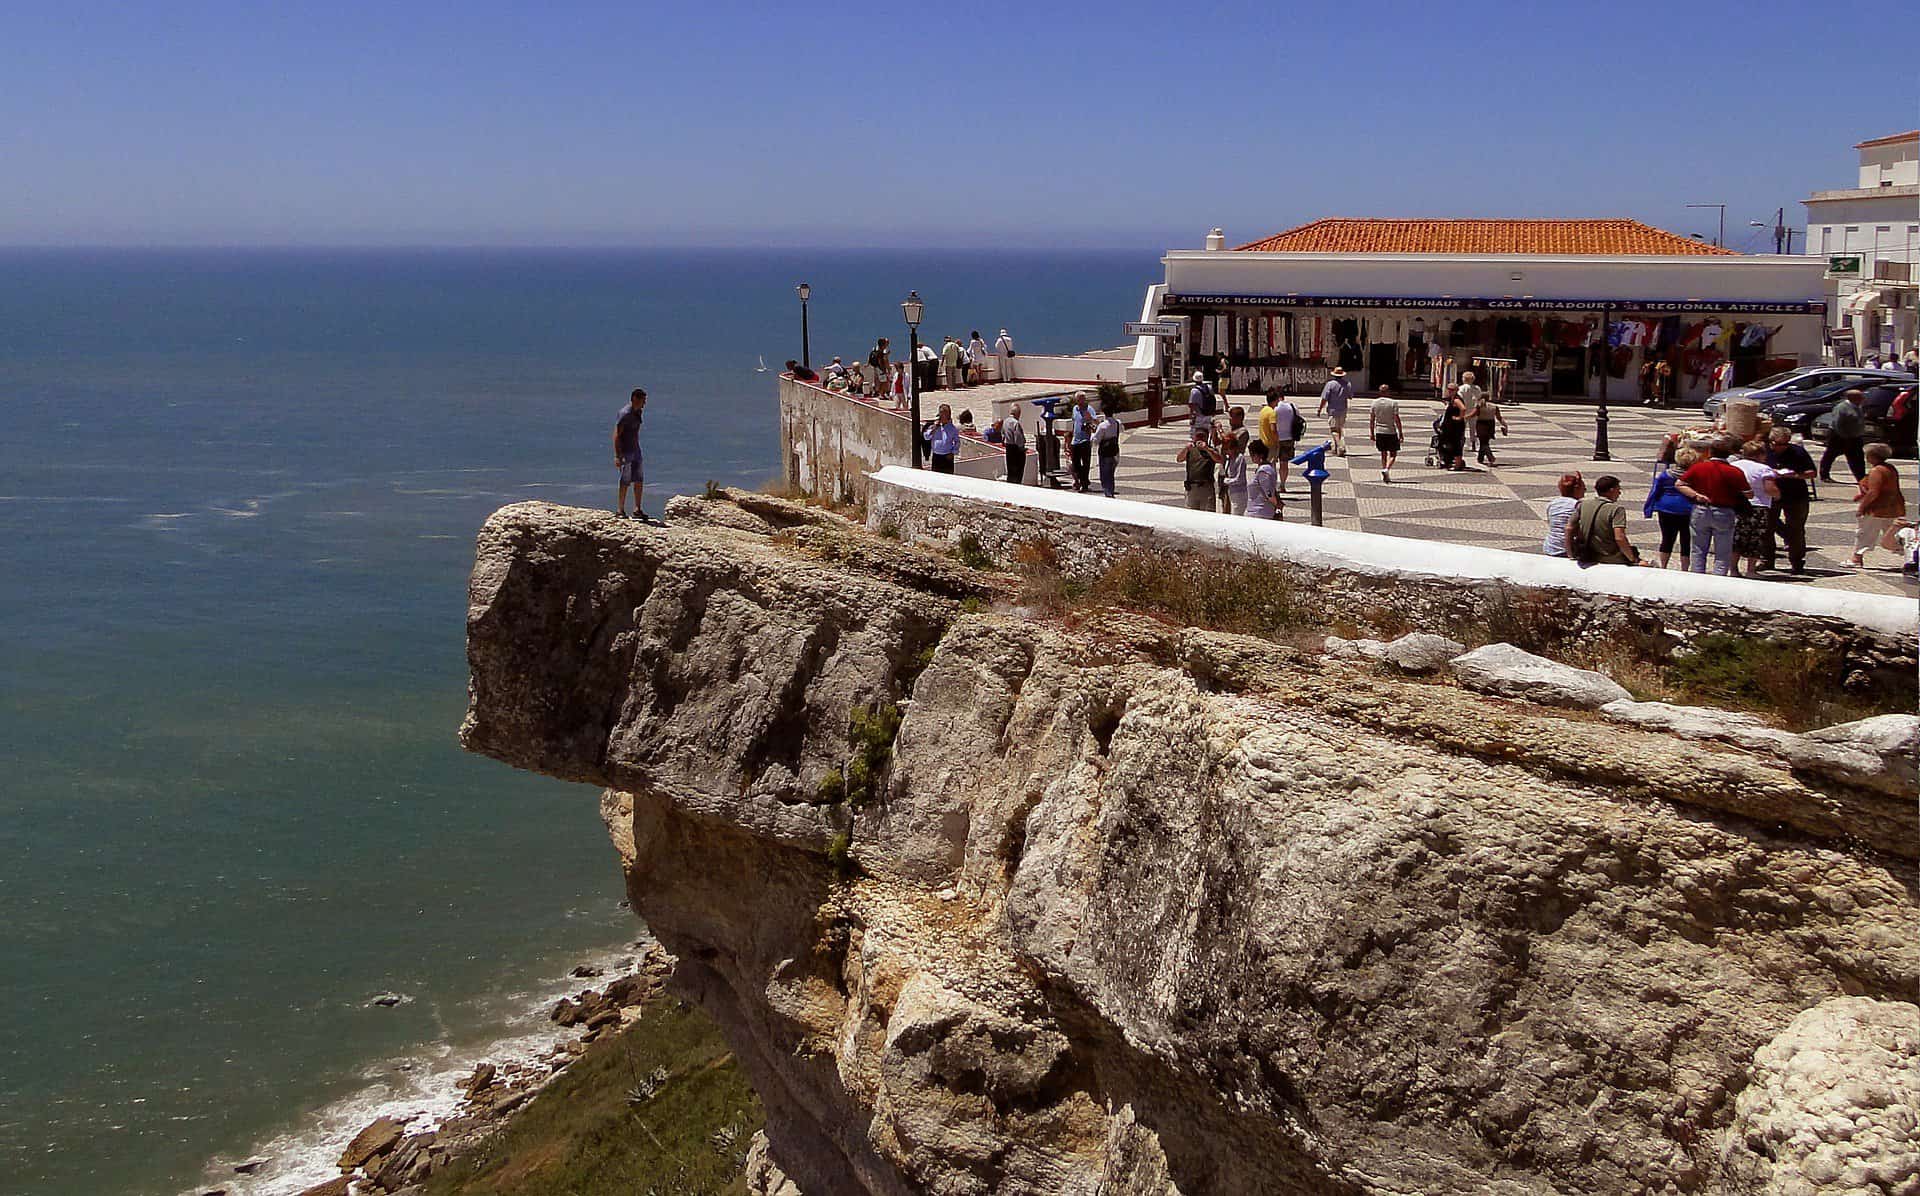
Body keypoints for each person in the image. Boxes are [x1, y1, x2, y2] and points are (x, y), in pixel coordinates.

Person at [1675, 437, 1753, 576]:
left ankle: (1697, 577)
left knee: (1698, 548)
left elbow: (1679, 484)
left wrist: (1695, 495)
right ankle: (1719, 578)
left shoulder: (1699, 467)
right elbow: (1749, 494)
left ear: (1710, 452)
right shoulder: (1734, 471)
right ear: (1729, 454)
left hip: (1701, 509)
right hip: (1724, 511)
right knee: (1723, 550)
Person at [1765, 428, 1816, 573]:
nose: (1781, 447)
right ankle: (1767, 559)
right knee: (1767, 528)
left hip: (1795, 495)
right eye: (1778, 444)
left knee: (1796, 530)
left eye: (1785, 444)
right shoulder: (1764, 451)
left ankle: (1797, 562)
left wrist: (1794, 475)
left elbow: (1812, 473)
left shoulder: (1798, 452)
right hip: (1771, 495)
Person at [1850, 443, 1907, 568]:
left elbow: (1873, 492)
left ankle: (1856, 558)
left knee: (1865, 532)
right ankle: (1909, 557)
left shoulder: (1877, 470)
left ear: (1872, 456)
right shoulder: (1890, 468)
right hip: (1893, 506)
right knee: (1892, 534)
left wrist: (1862, 507)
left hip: (1876, 508)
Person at [1731, 439, 1782, 577]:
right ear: (1760, 454)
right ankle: (1750, 570)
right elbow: (1770, 488)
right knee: (1755, 538)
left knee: (1736, 538)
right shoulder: (1763, 469)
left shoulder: (1733, 465)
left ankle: (1733, 569)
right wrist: (1777, 496)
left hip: (1736, 505)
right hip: (1758, 506)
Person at [1569, 475, 1641, 567]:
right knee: (1647, 563)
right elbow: (1619, 537)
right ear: (1611, 490)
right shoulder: (1616, 509)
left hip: (1588, 554)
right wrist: (1632, 559)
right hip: (1609, 556)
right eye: (1618, 489)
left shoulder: (1583, 504)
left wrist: (1570, 553)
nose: (1619, 493)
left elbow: (1569, 527)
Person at [1641, 451, 1695, 569]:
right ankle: (1685, 568)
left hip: (1666, 508)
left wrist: (1648, 509)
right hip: (1687, 510)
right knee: (1686, 540)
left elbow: (1655, 491)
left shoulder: (1665, 475)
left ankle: (1664, 566)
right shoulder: (1694, 476)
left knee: (1667, 538)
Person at [612, 387, 648, 519]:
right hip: (626, 451)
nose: (644, 403)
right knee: (625, 480)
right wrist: (617, 455)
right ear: (635, 399)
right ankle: (620, 509)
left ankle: (637, 508)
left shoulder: (638, 412)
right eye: (642, 400)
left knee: (639, 479)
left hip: (636, 450)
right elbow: (616, 434)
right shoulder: (625, 413)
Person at [1821, 389, 1868, 482]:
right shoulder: (1842, 408)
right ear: (1852, 398)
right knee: (1831, 455)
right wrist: (1845, 436)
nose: (1863, 398)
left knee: (1857, 457)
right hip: (1840, 437)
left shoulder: (1858, 406)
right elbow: (1837, 424)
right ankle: (1824, 475)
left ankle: (1861, 478)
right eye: (1861, 397)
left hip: (1855, 437)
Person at [1177, 429, 1223, 511]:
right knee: (1191, 513)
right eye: (1198, 436)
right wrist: (1186, 449)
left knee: (1208, 513)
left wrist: (1207, 449)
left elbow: (1219, 460)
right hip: (1192, 487)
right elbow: (1179, 459)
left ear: (1207, 437)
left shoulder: (1211, 450)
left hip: (1206, 487)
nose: (1200, 439)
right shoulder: (1190, 450)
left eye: (1202, 436)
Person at [1543, 472, 1585, 557]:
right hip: (1566, 549)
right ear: (1576, 489)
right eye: (1584, 489)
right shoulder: (1577, 505)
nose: (1584, 492)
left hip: (1550, 546)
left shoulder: (1552, 504)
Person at [1369, 385, 1404, 483]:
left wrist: (1371, 432)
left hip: (1379, 431)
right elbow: (1397, 419)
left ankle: (1384, 469)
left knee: (1383, 453)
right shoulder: (1393, 403)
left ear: (1379, 392)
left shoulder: (1374, 403)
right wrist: (1400, 432)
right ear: (1388, 391)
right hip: (1391, 431)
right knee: (1393, 454)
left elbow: (1372, 419)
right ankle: (1387, 469)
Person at [1217, 407, 1249, 512]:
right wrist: (1214, 432)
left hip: (1234, 467)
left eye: (1232, 417)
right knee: (1223, 497)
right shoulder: (1229, 430)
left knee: (1232, 502)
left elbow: (1230, 441)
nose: (1230, 420)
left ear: (1240, 418)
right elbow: (1218, 442)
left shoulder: (1243, 432)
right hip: (1224, 466)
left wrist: (1220, 431)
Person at [1267, 388, 1300, 491]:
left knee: (1272, 463)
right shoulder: (1292, 406)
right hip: (1289, 438)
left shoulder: (1273, 408)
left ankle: (1272, 484)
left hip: (1275, 438)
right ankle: (1282, 484)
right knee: (1284, 463)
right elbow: (1298, 419)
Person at [1317, 368, 1353, 457]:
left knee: (1333, 430)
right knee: (1340, 428)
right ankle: (1336, 448)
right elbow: (1350, 396)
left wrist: (1320, 409)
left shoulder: (1330, 384)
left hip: (1333, 410)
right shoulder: (1347, 384)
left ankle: (1340, 446)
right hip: (1343, 409)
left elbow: (1324, 398)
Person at [1472, 386, 1511, 466]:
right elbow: (1499, 417)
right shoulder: (1494, 406)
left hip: (1481, 424)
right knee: (1485, 441)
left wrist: (1464, 417)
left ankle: (1490, 457)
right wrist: (1505, 425)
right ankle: (1480, 458)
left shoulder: (1479, 405)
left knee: (1483, 442)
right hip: (1490, 424)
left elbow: (1474, 414)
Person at [1093, 399, 1123, 497]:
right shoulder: (1118, 423)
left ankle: (1107, 492)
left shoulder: (1102, 426)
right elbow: (1122, 430)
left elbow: (1096, 440)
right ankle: (1111, 489)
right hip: (1115, 451)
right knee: (1111, 473)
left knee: (1104, 474)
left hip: (1105, 452)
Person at [1244, 442, 1281, 519]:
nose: (1251, 457)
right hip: (1256, 511)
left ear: (1261, 455)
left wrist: (1278, 506)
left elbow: (1269, 492)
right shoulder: (1263, 469)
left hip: (1260, 513)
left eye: (1253, 455)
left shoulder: (1264, 471)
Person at [1068, 391, 1094, 492]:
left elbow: (1094, 422)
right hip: (1076, 440)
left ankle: (1084, 483)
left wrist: (1089, 420)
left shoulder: (1089, 409)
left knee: (1086, 463)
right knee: (1075, 463)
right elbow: (1074, 422)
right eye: (1078, 399)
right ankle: (1082, 480)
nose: (1080, 401)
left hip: (1085, 440)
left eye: (1081, 399)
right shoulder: (1075, 409)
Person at [924, 403, 960, 473]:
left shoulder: (952, 428)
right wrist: (934, 428)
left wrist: (953, 452)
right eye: (941, 413)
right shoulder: (934, 426)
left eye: (944, 414)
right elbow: (926, 437)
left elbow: (957, 442)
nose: (942, 416)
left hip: (947, 457)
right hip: (936, 456)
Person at [1000, 404, 1028, 485]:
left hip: (1008, 448)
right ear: (1018, 413)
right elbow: (1018, 439)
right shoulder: (1015, 423)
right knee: (1018, 472)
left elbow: (1003, 435)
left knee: (1010, 471)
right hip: (1016, 449)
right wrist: (1022, 448)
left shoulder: (1005, 421)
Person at [1188, 370, 1216, 439]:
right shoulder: (1209, 387)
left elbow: (1192, 405)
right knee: (1206, 434)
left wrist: (1191, 417)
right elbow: (1213, 399)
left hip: (1199, 416)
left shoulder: (1194, 391)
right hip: (1208, 415)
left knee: (1196, 435)